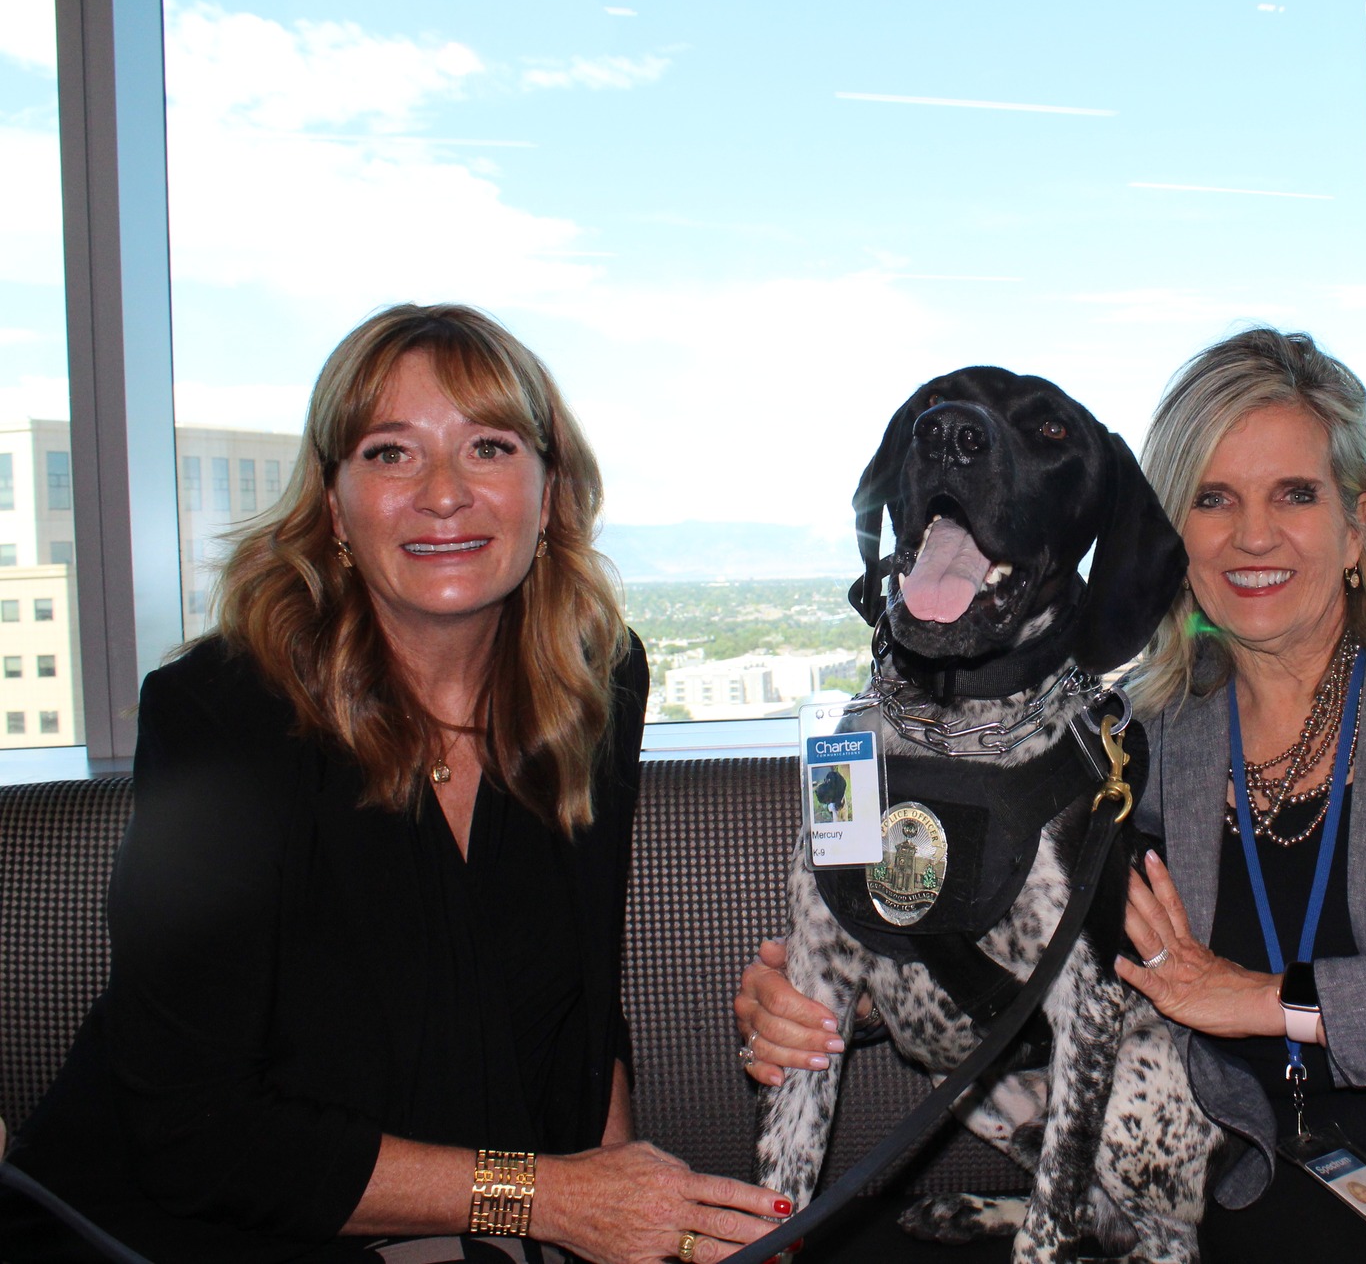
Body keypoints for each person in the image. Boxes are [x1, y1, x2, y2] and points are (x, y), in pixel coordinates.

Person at [735, 328, 1366, 1261]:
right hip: (1303, 1153)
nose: (1252, 536)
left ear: (1357, 526)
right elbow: (1006, 937)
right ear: (1171, 537)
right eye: (1214, 500)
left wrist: (1262, 999)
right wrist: (830, 1006)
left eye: (1294, 495)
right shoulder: (1122, 741)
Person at [0, 305, 787, 1264]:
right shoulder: (221, 718)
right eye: (390, 453)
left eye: (488, 445)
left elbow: (579, 1001)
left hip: (457, 1229)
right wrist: (548, 1201)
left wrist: (624, 1204)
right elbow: (193, 1132)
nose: (444, 494)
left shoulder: (596, 680)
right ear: (333, 506)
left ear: (552, 492)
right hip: (175, 1229)